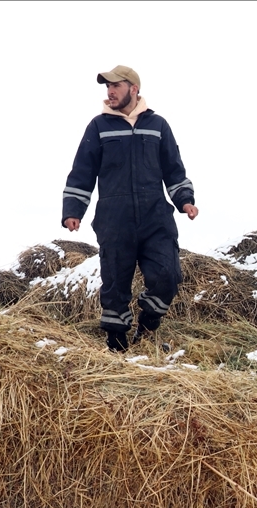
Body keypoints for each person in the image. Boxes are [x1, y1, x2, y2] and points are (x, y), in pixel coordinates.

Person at [61, 65, 198, 352]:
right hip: (114, 219)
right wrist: (73, 210)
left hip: (156, 218)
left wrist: (185, 200)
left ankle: (148, 323)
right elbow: (83, 171)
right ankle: (117, 342)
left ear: (133, 89)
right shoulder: (98, 127)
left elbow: (173, 169)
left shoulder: (158, 125)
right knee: (115, 283)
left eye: (116, 86)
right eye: (107, 87)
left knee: (167, 276)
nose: (110, 92)